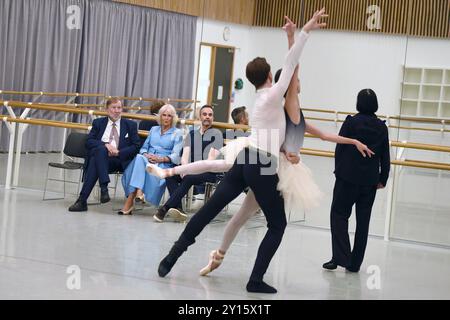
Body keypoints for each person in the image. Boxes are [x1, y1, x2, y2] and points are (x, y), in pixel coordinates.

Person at [148, 20, 374, 279]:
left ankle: (173, 256)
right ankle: (255, 279)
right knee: (276, 224)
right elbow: (290, 66)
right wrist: (303, 32)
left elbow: (291, 69)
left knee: (212, 208)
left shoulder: (262, 99)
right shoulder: (273, 96)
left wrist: (292, 38)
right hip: (263, 164)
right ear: (270, 77)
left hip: (250, 159)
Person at [322, 89, 390, 273]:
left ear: (358, 103)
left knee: (338, 215)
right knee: (363, 222)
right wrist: (383, 178)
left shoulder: (351, 123)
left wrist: (339, 170)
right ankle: (354, 264)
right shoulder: (382, 127)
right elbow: (385, 155)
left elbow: (340, 146)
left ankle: (340, 257)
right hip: (370, 182)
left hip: (347, 178)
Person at [153, 105, 223, 222]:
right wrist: (184, 169)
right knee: (171, 177)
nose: (207, 117)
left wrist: (189, 170)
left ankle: (165, 209)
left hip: (209, 172)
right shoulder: (191, 134)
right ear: (200, 117)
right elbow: (184, 157)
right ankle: (179, 208)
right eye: (204, 114)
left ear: (213, 118)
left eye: (210, 115)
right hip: (191, 169)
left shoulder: (217, 135)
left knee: (189, 178)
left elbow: (209, 161)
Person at [69, 98, 140, 212]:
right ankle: (103, 188)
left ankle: (84, 200)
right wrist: (105, 145)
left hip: (120, 160)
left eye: (119, 108)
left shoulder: (130, 125)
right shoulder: (98, 123)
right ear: (107, 110)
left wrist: (119, 152)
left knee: (95, 160)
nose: (116, 111)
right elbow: (89, 142)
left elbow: (136, 146)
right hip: (103, 159)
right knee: (100, 152)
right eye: (113, 107)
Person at [118, 104, 183, 215]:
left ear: (173, 118)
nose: (166, 118)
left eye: (169, 116)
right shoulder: (153, 129)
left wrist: (160, 159)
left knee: (140, 161)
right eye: (164, 115)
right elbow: (143, 148)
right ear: (160, 117)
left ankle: (132, 198)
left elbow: (176, 156)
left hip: (162, 165)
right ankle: (138, 192)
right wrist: (146, 155)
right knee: (140, 157)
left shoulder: (178, 133)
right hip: (147, 160)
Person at [135, 100, 166, 203]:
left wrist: (145, 153)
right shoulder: (160, 123)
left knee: (141, 162)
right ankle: (143, 193)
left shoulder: (144, 121)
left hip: (145, 153)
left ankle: (139, 192)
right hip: (154, 154)